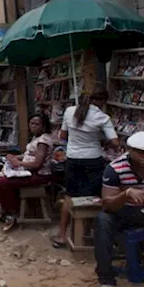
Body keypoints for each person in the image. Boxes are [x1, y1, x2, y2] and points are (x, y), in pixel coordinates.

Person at [93, 131, 144, 287]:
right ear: (130, 150)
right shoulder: (115, 169)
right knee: (102, 220)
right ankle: (106, 280)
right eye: (140, 152)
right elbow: (107, 204)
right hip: (120, 211)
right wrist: (126, 194)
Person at [52, 87, 120, 248]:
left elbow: (62, 136)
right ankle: (87, 234)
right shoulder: (102, 117)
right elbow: (116, 143)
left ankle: (62, 235)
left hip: (73, 159)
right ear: (102, 102)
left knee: (69, 196)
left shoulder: (69, 111)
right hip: (92, 160)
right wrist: (100, 137)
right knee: (93, 198)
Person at [0, 114, 55, 231]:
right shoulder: (36, 137)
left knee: (4, 183)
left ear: (43, 126)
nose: (33, 126)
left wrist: (18, 163)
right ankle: (6, 209)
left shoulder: (43, 141)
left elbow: (37, 164)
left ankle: (12, 212)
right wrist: (14, 157)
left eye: (36, 124)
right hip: (28, 171)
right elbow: (28, 155)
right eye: (31, 123)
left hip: (39, 175)